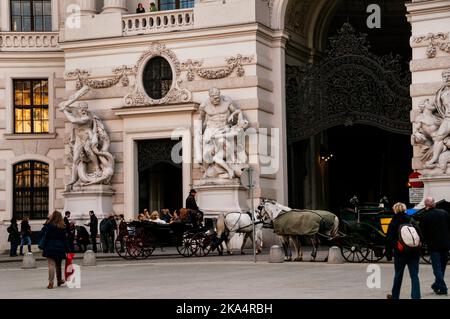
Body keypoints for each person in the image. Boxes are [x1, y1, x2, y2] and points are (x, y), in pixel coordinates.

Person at [385, 202, 421, 299]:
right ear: (405, 209)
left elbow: (389, 239)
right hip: (414, 253)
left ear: (395, 210)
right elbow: (419, 235)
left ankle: (395, 296)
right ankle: (416, 296)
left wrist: (388, 254)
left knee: (398, 275)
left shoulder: (394, 221)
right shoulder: (411, 220)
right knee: (414, 276)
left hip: (400, 253)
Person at [420, 197, 450, 295]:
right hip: (446, 244)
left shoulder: (425, 216)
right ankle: (437, 285)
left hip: (434, 246)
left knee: (437, 267)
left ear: (425, 205)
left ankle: (443, 287)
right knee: (442, 266)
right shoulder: (444, 213)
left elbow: (422, 232)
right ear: (434, 204)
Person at [41, 211, 69, 289]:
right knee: (58, 265)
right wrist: (68, 250)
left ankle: (51, 283)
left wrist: (44, 246)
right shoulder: (63, 226)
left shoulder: (49, 226)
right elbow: (65, 239)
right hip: (60, 247)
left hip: (50, 246)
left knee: (51, 265)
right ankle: (59, 280)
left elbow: (46, 237)